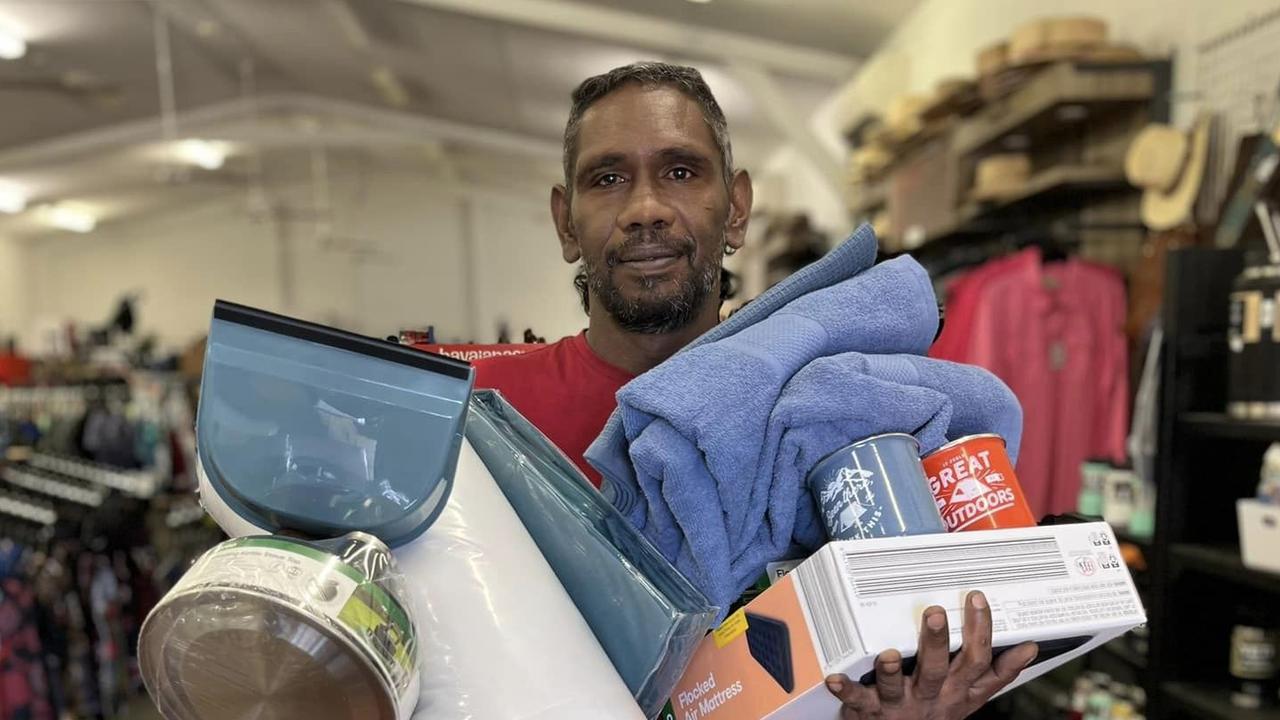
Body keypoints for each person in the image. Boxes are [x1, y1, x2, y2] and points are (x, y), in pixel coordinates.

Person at [473, 62, 1037, 718]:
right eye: (607, 179)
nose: (646, 209)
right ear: (566, 222)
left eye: (681, 172)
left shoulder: (847, 406)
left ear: (736, 209)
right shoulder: (483, 414)